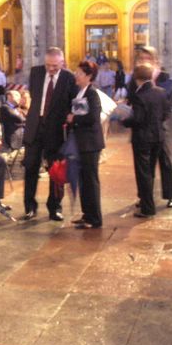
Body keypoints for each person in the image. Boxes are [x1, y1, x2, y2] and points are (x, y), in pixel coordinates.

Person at [21, 47, 76, 221]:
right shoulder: (36, 73)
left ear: (62, 63)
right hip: (35, 127)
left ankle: (55, 207)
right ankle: (30, 207)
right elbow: (34, 96)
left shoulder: (69, 78)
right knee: (31, 167)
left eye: (55, 66)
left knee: (55, 170)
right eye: (48, 65)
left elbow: (72, 102)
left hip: (56, 131)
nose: (51, 69)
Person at [129, 46, 172, 208]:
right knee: (144, 167)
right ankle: (144, 196)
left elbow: (168, 100)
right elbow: (132, 98)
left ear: (155, 61)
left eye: (147, 58)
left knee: (165, 161)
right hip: (143, 129)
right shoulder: (135, 78)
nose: (144, 61)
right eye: (141, 59)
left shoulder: (165, 78)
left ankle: (170, 195)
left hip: (160, 127)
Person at [123, 64, 169, 218]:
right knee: (150, 172)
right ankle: (146, 202)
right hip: (158, 137)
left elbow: (137, 119)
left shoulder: (139, 96)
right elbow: (166, 114)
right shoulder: (161, 92)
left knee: (143, 173)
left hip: (142, 138)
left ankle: (147, 208)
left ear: (137, 78)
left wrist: (124, 120)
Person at [66, 61, 105, 229]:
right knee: (83, 180)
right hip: (80, 142)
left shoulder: (92, 93)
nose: (76, 76)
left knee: (90, 180)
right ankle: (87, 214)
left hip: (90, 143)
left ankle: (95, 218)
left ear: (89, 76)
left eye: (79, 73)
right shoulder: (80, 92)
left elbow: (93, 117)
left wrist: (74, 118)